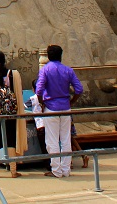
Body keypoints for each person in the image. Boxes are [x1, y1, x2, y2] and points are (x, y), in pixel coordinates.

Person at [35, 44, 83, 178]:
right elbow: (79, 89)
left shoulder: (45, 70)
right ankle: (66, 169)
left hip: (51, 107)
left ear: (48, 56)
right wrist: (72, 101)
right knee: (66, 139)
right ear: (61, 55)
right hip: (66, 107)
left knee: (52, 140)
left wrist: (41, 102)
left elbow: (39, 90)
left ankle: (56, 170)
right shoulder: (68, 70)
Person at [28, 81, 49, 171]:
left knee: (44, 147)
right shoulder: (47, 97)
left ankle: (49, 166)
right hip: (49, 124)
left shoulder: (33, 98)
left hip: (40, 125)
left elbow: (22, 106)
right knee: (51, 145)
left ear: (33, 89)